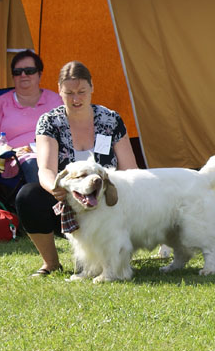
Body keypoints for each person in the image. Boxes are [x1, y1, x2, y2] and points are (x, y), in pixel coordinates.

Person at [14, 61, 139, 276]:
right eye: (69, 93)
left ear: (92, 88)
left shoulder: (111, 119)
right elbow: (45, 169)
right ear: (59, 91)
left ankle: (110, 257)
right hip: (68, 200)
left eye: (81, 91)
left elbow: (131, 170)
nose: (76, 99)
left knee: (89, 266)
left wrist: (114, 194)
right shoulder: (49, 122)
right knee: (28, 196)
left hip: (106, 200)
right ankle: (51, 263)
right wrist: (54, 189)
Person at [0, 50, 62, 183]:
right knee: (33, 163)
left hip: (55, 152)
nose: (23, 75)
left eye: (29, 71)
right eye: (17, 72)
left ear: (40, 75)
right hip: (19, 157)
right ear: (13, 77)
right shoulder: (0, 103)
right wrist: (7, 150)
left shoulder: (55, 100)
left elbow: (70, 129)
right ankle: (43, 203)